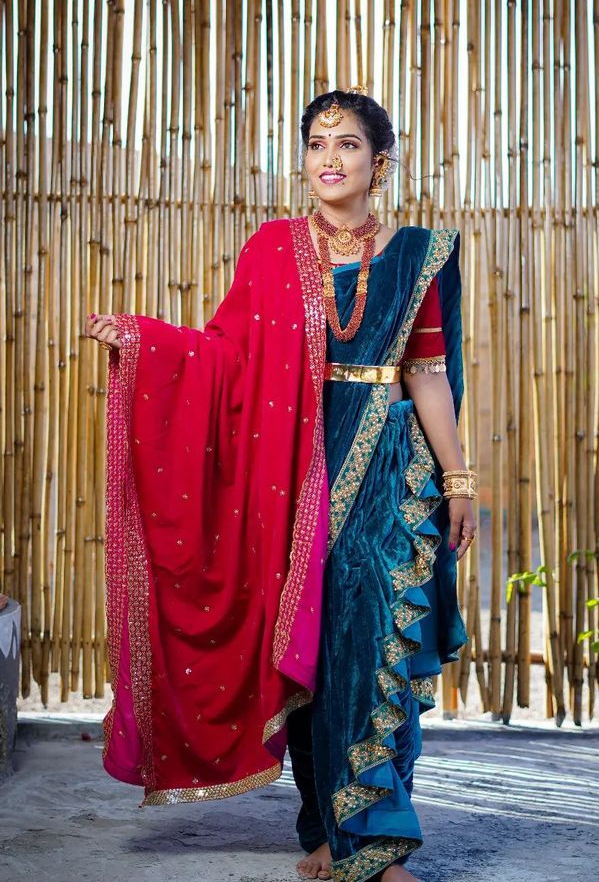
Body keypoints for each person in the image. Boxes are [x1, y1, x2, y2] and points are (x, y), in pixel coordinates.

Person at [86, 88, 476, 882]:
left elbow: (428, 373)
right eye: (316, 143)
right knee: (309, 650)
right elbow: (225, 355)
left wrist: (459, 478)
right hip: (288, 473)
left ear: (380, 161)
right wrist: (145, 341)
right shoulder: (271, 249)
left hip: (387, 471)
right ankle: (328, 832)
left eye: (348, 145)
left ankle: (377, 837)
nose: (329, 159)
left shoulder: (416, 253)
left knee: (374, 642)